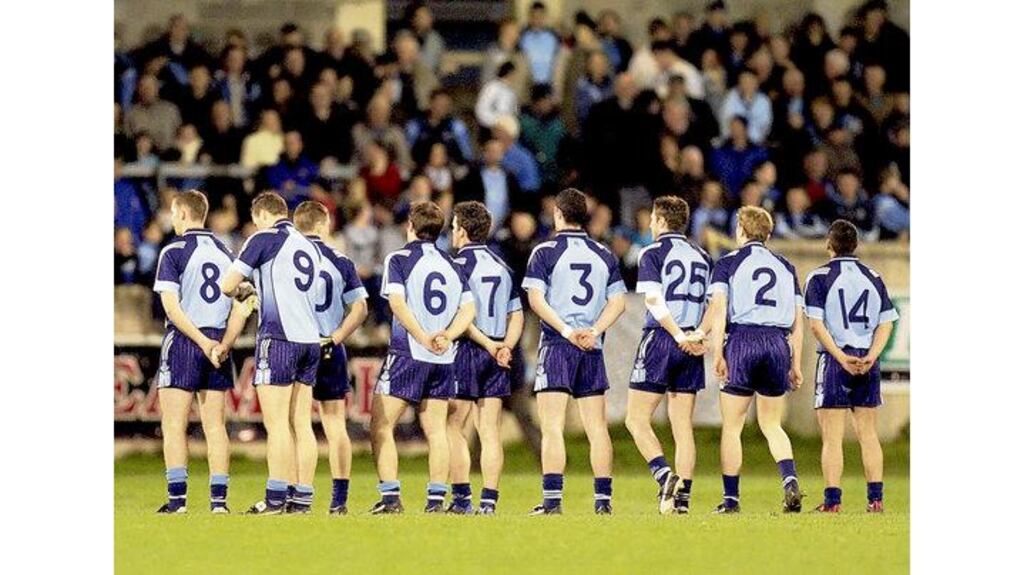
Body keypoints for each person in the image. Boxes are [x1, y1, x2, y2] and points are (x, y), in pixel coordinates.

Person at [522, 188, 627, 515]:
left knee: (552, 426)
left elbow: (536, 300)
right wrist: (593, 331)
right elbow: (619, 302)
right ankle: (603, 502)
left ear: (557, 214)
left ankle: (552, 502)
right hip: (591, 347)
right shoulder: (604, 253)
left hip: (557, 344)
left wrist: (567, 331)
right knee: (597, 427)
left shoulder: (545, 251)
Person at [220, 192, 323, 514]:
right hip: (310, 339)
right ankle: (301, 498)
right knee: (301, 423)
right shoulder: (308, 245)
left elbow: (227, 285)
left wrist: (245, 290)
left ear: (262, 215)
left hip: (279, 337)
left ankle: (276, 498)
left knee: (277, 424)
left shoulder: (263, 238)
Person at [152, 190, 255, 514]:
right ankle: (219, 503)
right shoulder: (226, 252)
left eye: (173, 212)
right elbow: (246, 299)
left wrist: (200, 341)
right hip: (218, 341)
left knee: (173, 424)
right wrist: (222, 342)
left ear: (183, 214)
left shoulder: (174, 251)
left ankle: (178, 502)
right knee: (215, 426)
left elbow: (171, 307)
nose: (172, 218)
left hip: (187, 338)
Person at [370, 201, 477, 514]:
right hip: (443, 357)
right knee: (437, 430)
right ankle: (435, 500)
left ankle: (390, 499)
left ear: (410, 227)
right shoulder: (453, 263)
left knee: (381, 424)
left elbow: (397, 304)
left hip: (409, 353)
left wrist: (422, 337)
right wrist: (447, 335)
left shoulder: (400, 258)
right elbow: (469, 309)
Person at [707, 206, 805, 514]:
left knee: (732, 426)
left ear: (740, 230)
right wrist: (795, 362)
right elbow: (797, 321)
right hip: (777, 342)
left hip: (743, 340)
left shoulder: (728, 263)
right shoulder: (786, 267)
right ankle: (789, 480)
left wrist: (718, 351)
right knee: (772, 423)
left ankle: (731, 500)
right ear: (768, 233)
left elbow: (719, 309)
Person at [625, 196, 713, 515]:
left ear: (662, 221)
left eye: (652, 219)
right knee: (682, 426)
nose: (649, 225)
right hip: (692, 341)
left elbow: (653, 299)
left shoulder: (652, 252)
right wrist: (698, 335)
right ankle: (682, 501)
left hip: (664, 338)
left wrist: (677, 336)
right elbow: (713, 306)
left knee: (636, 419)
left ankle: (664, 477)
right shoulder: (703, 257)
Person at [804, 219, 898, 513]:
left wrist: (841, 356)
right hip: (866, 359)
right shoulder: (874, 276)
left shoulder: (819, 277)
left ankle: (833, 502)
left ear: (828, 245)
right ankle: (876, 500)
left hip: (836, 358)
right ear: (856, 244)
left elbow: (816, 325)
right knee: (868, 433)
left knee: (832, 436)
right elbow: (886, 322)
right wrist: (872, 354)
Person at [446, 201, 525, 514]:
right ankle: (489, 502)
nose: (452, 233)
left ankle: (462, 499)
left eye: (453, 227)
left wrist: (489, 344)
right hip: (497, 353)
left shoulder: (456, 266)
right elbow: (516, 314)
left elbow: (462, 318)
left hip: (467, 350)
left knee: (455, 427)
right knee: (490, 431)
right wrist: (504, 345)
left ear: (463, 232)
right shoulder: (501, 265)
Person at [293, 201, 369, 515]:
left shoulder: (289, 260)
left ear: (297, 226)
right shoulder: (340, 260)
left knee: (297, 423)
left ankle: (300, 496)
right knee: (335, 424)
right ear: (324, 225)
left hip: (297, 345)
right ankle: (339, 501)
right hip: (330, 345)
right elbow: (361, 309)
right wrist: (336, 337)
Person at [125, 74, 182, 152]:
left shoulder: (171, 110)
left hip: (168, 159)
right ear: (138, 89)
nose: (147, 90)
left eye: (150, 87)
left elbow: (181, 135)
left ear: (157, 88)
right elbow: (128, 139)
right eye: (143, 87)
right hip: (142, 160)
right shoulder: (131, 113)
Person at [519, 2, 561, 87]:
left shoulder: (553, 37)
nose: (537, 19)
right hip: (527, 85)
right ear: (529, 17)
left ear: (545, 17)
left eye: (540, 16)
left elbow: (558, 62)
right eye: (534, 16)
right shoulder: (522, 37)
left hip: (548, 85)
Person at [475, 62, 520, 132]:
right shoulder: (492, 87)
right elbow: (481, 110)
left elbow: (515, 112)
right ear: (509, 73)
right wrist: (497, 122)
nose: (516, 77)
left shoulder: (511, 92)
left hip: (508, 129)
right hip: (491, 128)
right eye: (514, 74)